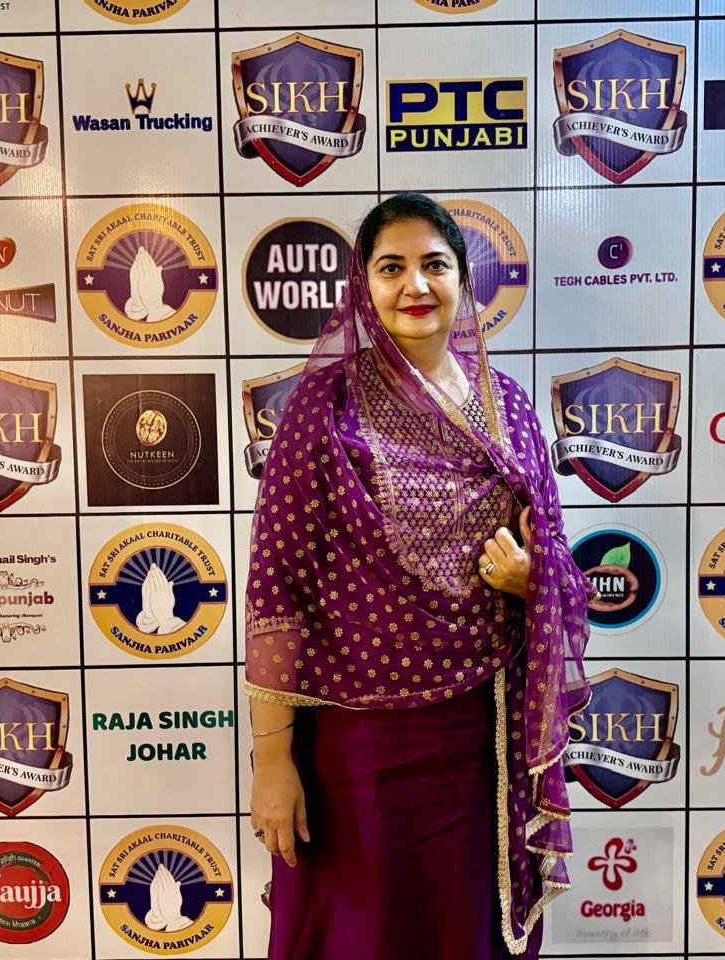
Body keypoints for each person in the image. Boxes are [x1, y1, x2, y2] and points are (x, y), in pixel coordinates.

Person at [244, 193, 593, 959]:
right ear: (362, 286)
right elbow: (276, 587)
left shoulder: (508, 405)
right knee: (364, 932)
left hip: (479, 738)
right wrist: (271, 761)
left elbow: (559, 561)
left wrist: (532, 578)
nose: (415, 285)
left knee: (459, 929)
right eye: (391, 267)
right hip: (356, 744)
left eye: (434, 265)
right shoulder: (325, 405)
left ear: (462, 280)